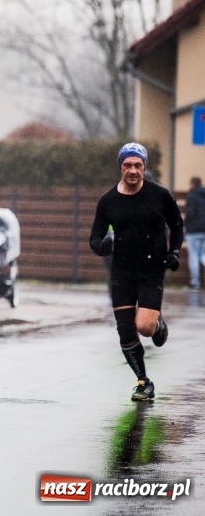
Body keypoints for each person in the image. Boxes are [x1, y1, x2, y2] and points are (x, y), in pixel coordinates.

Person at [89, 143, 183, 402]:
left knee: (143, 327)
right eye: (127, 165)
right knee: (125, 330)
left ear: (144, 167)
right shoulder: (108, 201)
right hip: (122, 271)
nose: (133, 170)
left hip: (152, 268)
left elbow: (177, 226)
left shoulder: (159, 195)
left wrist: (174, 252)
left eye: (138, 165)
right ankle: (143, 381)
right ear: (120, 167)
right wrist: (102, 247)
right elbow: (94, 237)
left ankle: (156, 323)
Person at [184, 176, 205, 290]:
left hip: (193, 230)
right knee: (203, 254)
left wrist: (185, 224)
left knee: (194, 256)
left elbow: (190, 213)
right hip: (204, 230)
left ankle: (195, 282)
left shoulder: (192, 196)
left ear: (192, 184)